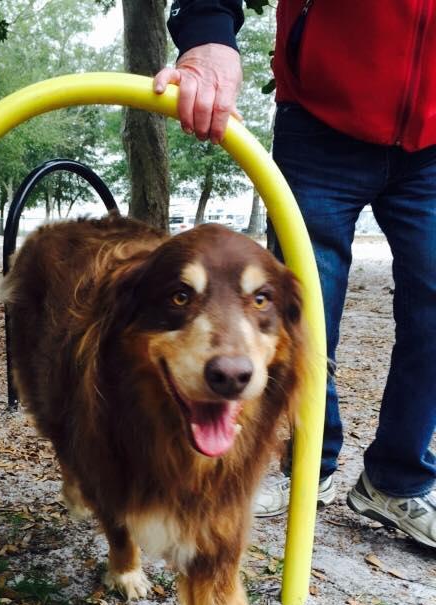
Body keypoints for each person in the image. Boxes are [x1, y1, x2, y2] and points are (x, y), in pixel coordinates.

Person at [154, 0, 436, 549]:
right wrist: (208, 29)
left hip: (432, 147)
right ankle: (309, 461)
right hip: (323, 124)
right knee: (301, 315)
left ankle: (397, 481)